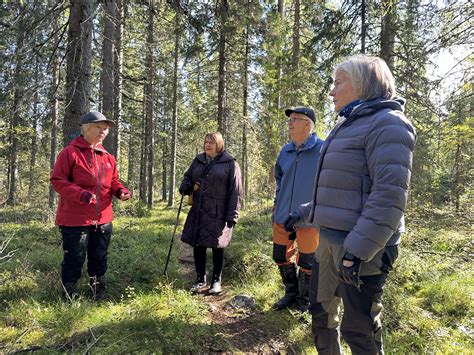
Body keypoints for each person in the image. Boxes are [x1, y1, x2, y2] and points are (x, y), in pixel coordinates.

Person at [286, 55, 416, 354]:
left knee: (359, 329)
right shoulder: (347, 124)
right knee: (321, 315)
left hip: (364, 247)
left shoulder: (390, 125)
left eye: (338, 82)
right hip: (329, 242)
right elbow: (343, 187)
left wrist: (356, 251)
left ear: (362, 84)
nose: (332, 91)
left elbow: (388, 195)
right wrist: (307, 212)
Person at [51, 111, 131, 301]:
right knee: (75, 257)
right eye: (99, 127)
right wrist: (81, 194)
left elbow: (113, 182)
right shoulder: (70, 153)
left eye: (105, 129)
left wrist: (120, 191)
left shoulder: (108, 157)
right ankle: (69, 293)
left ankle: (98, 290)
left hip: (103, 218)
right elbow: (58, 180)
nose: (103, 131)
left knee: (99, 256)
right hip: (74, 218)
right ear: (85, 128)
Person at [272, 107, 324, 312]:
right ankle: (290, 294)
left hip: (309, 217)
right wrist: (278, 206)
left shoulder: (322, 149)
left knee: (308, 261)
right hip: (283, 215)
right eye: (290, 119)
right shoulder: (285, 151)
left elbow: (327, 183)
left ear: (308, 124)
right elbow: (279, 181)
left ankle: (304, 301)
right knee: (280, 255)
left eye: (295, 119)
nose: (290, 122)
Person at [179, 132, 242, 295]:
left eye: (211, 142)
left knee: (217, 246)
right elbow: (188, 177)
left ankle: (216, 280)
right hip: (199, 209)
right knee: (198, 243)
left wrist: (232, 214)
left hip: (218, 212)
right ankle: (200, 279)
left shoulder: (230, 164)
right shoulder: (198, 160)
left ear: (219, 144)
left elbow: (235, 192)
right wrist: (185, 185)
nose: (208, 145)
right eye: (206, 142)